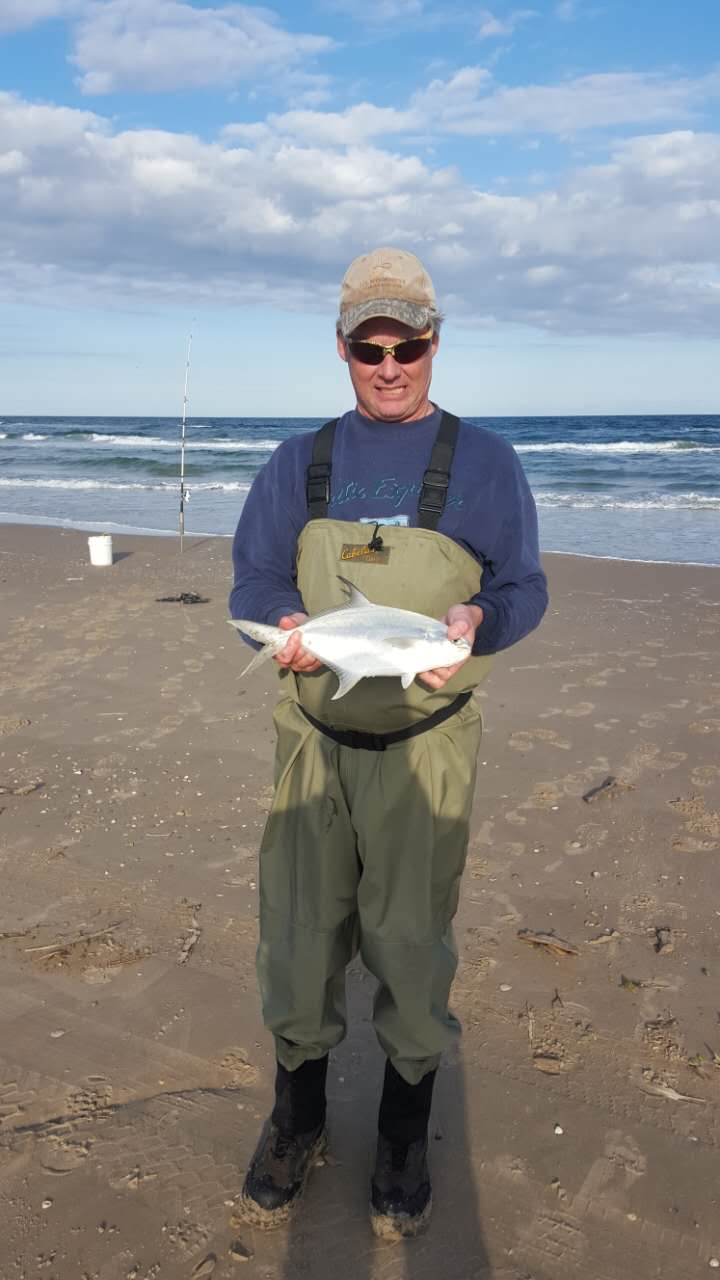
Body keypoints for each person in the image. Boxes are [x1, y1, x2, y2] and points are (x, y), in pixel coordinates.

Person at [229, 247, 548, 1240]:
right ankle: (299, 1112)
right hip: (311, 737)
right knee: (297, 933)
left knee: (410, 941)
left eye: (407, 342)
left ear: (434, 341)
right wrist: (284, 623)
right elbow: (251, 580)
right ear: (343, 348)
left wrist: (474, 621)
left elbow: (523, 586)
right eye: (370, 345)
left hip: (428, 744)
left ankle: (404, 1130)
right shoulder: (300, 461)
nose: (389, 363)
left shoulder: (485, 461)